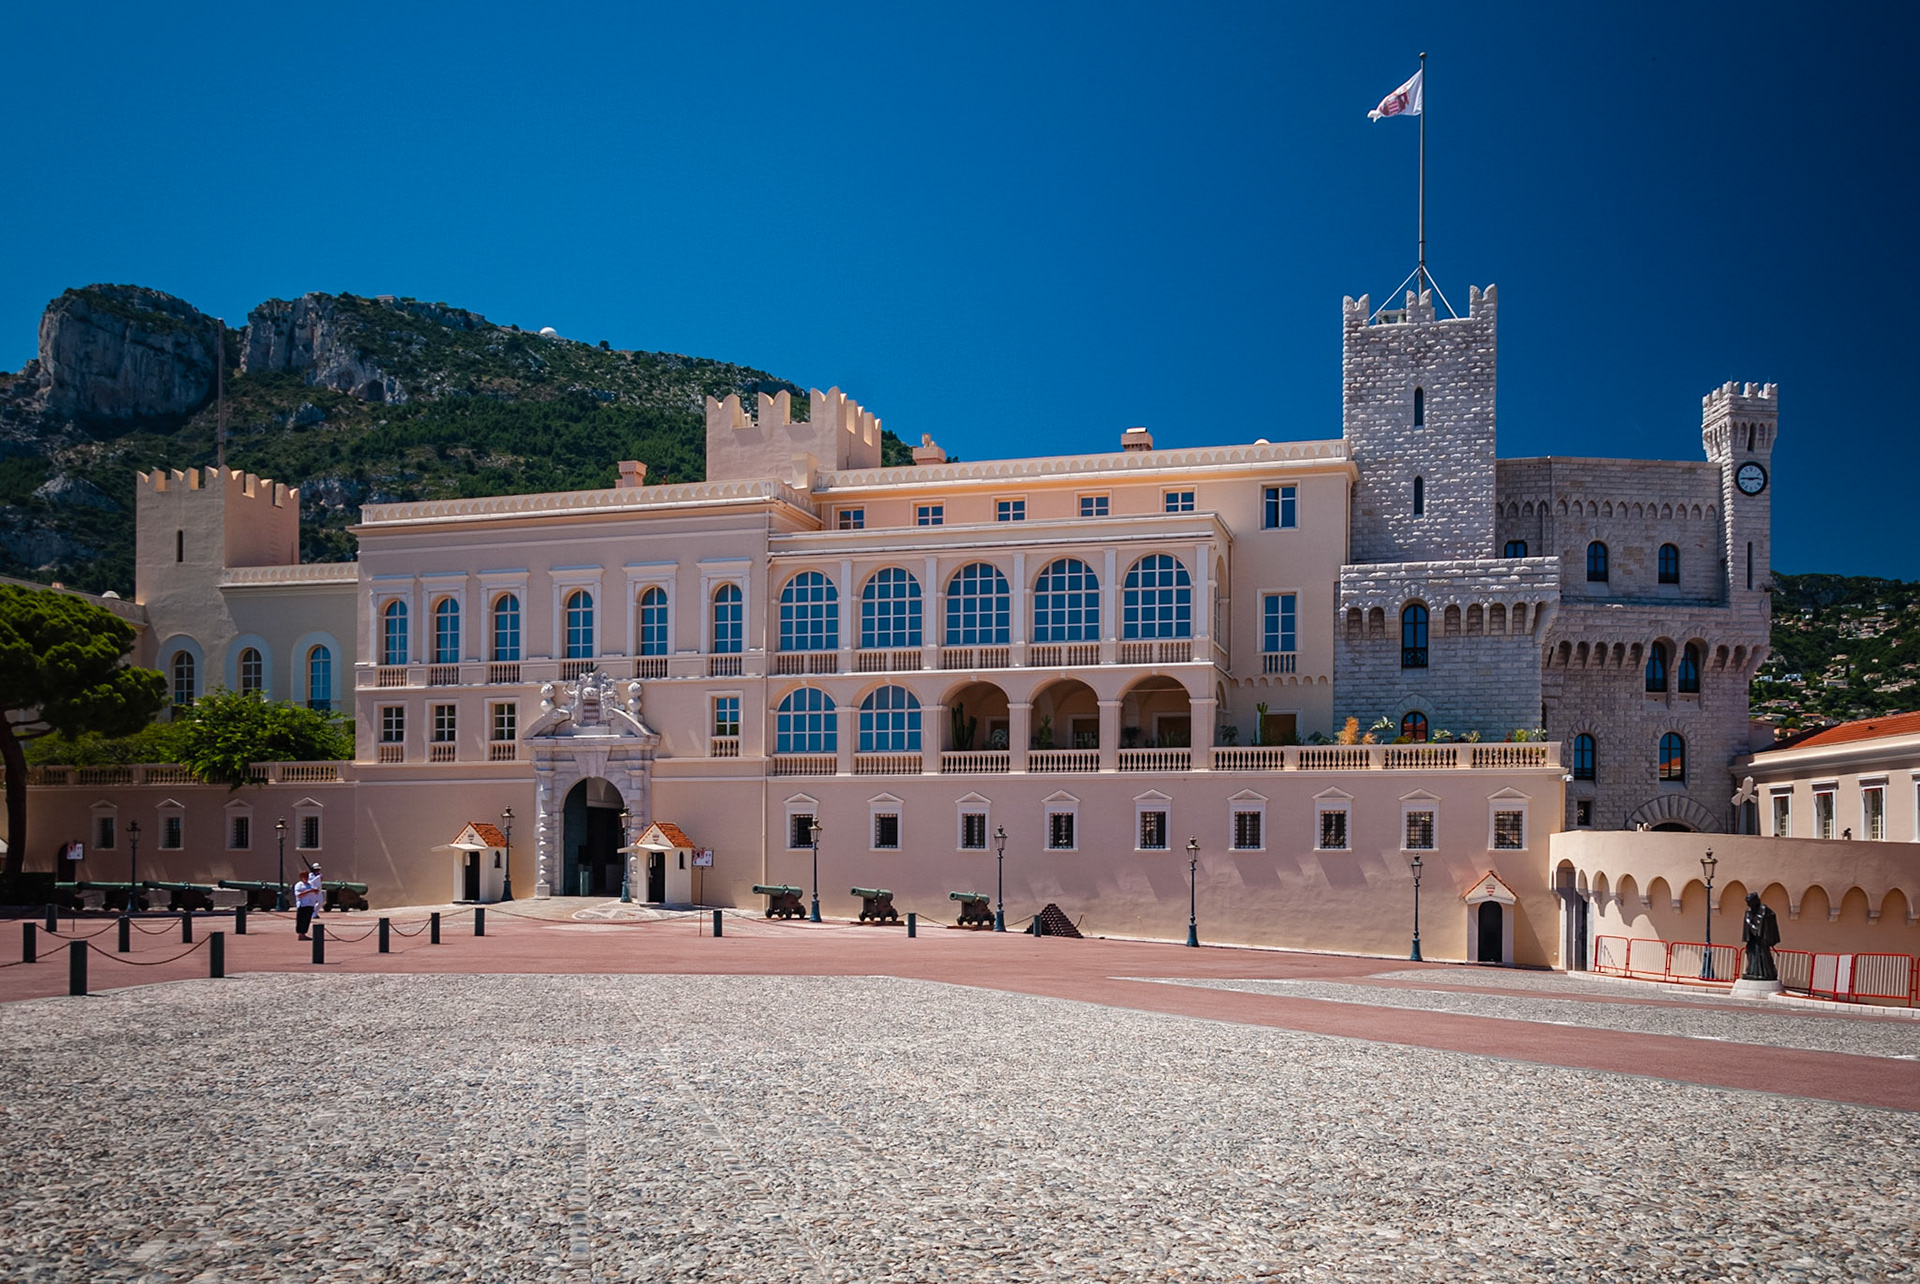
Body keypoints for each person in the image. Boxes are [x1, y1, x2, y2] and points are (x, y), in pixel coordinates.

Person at [1741, 891, 1781, 981]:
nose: (1748, 904)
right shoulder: (1749, 911)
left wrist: (1760, 929)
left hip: (1762, 938)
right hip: (1752, 938)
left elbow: (1770, 918)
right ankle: (1752, 971)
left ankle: (1766, 973)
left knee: (1764, 955)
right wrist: (1753, 928)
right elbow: (1747, 921)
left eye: (1749, 902)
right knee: (1751, 954)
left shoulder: (1764, 909)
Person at [294, 863, 324, 939]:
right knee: (301, 920)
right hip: (303, 905)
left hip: (310, 904)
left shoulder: (310, 884)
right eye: (305, 877)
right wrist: (309, 891)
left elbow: (315, 891)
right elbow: (299, 894)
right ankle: (300, 934)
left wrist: (315, 891)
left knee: (307, 920)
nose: (306, 878)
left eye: (307, 877)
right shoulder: (299, 885)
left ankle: (304, 933)